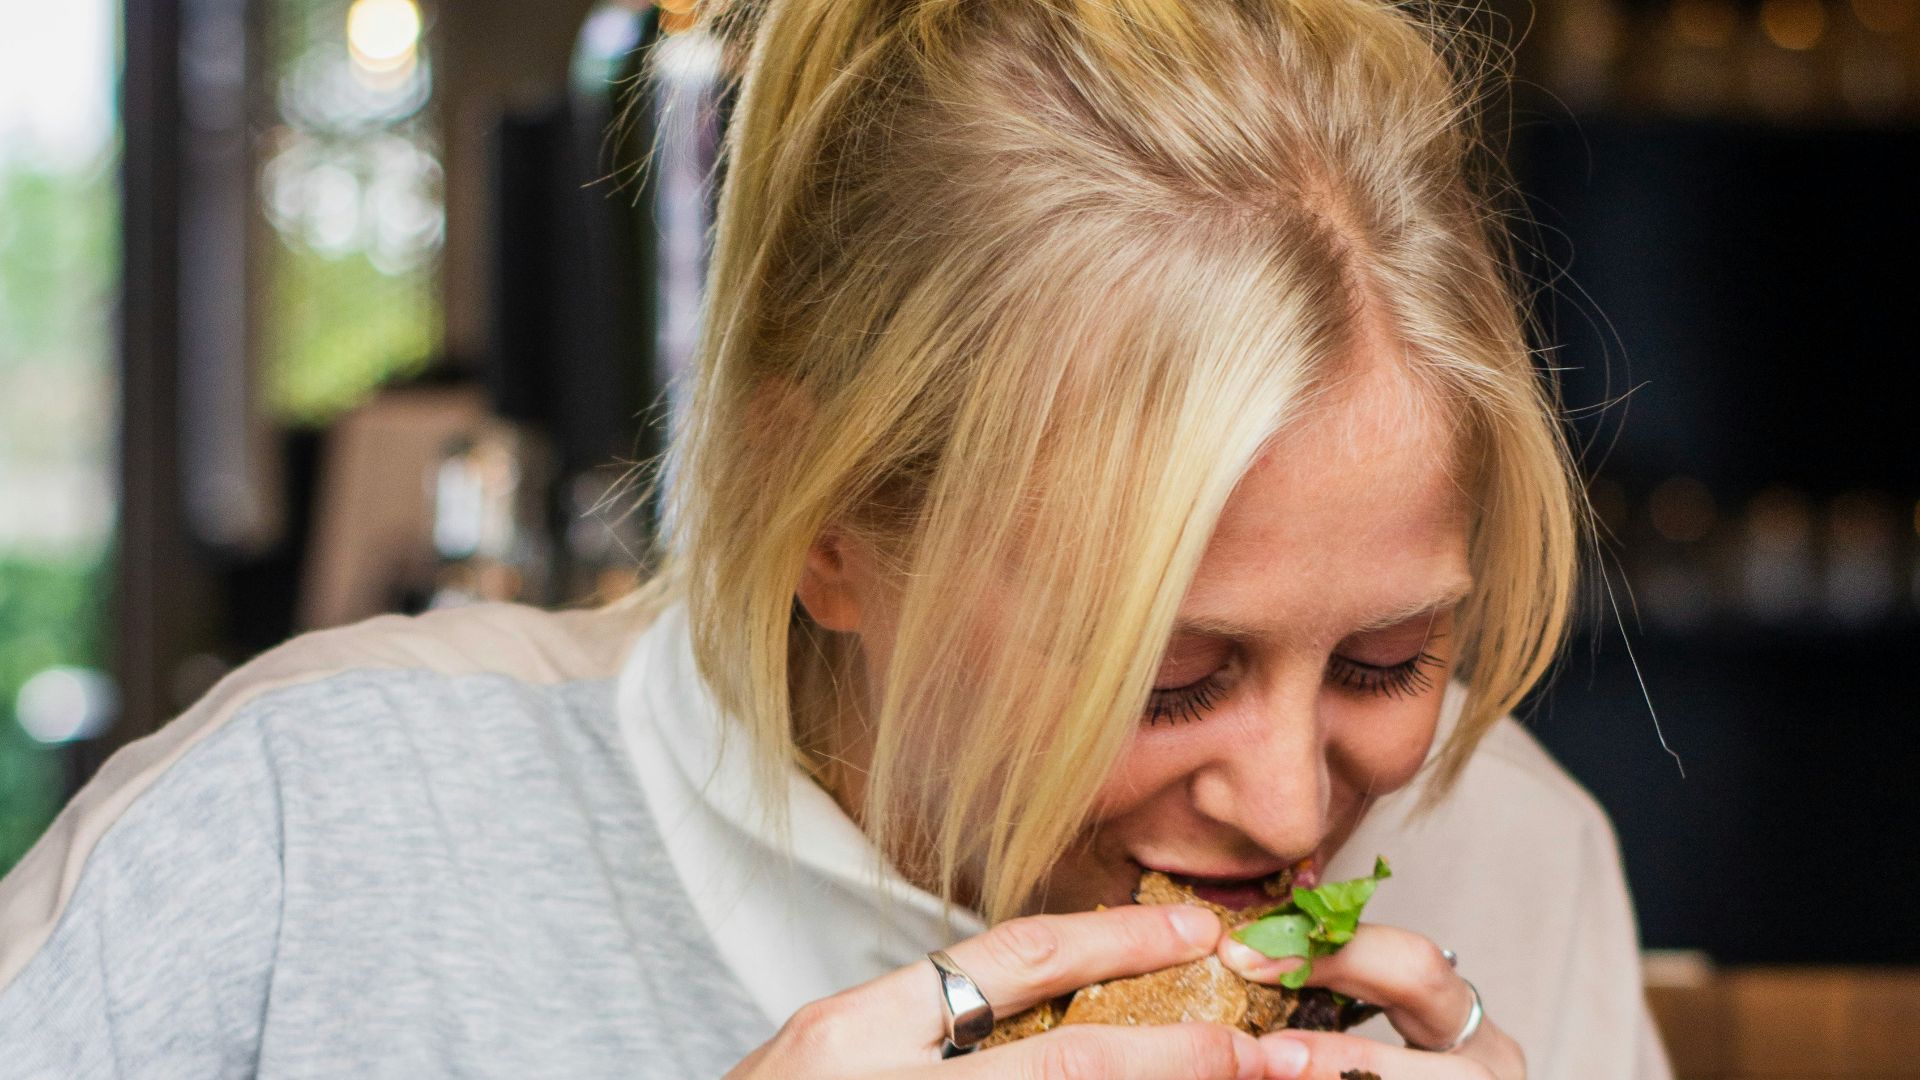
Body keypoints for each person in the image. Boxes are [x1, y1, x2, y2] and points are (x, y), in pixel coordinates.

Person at [0, 0, 1675, 1076]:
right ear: (825, 522)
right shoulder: (318, 835)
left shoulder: (1517, 864)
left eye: (1391, 662)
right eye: (1165, 678)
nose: (1300, 804)